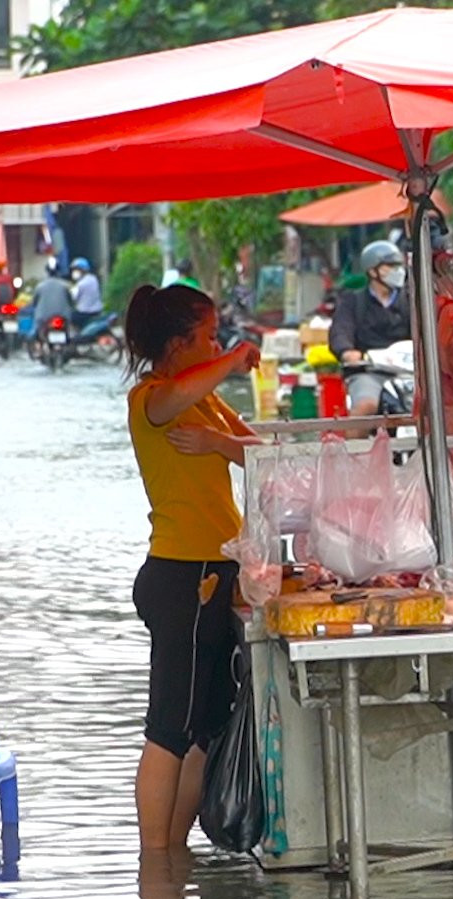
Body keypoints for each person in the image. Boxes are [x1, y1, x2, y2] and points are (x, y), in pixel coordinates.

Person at [122, 283, 262, 849]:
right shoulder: (151, 398)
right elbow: (170, 401)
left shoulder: (203, 404)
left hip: (217, 569)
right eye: (206, 335)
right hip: (182, 575)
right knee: (168, 731)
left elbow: (259, 449)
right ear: (180, 344)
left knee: (203, 728)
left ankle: (176, 855)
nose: (215, 342)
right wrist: (231, 360)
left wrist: (214, 442)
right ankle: (154, 864)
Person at [328, 240, 415, 417]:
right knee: (365, 406)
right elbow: (340, 331)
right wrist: (347, 351)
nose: (397, 271)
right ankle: (354, 444)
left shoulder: (411, 300)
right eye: (389, 266)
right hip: (368, 371)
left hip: (409, 371)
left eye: (398, 266)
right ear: (372, 271)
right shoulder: (353, 302)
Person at [30, 258, 74, 343]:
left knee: (35, 332)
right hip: (63, 316)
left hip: (44, 317)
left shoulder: (40, 286)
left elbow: (34, 302)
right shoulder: (65, 285)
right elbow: (71, 301)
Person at [70, 257, 104, 324]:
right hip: (97, 311)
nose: (74, 272)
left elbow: (72, 297)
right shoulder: (94, 279)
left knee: (69, 317)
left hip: (84, 313)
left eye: (76, 269)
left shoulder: (81, 284)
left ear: (83, 270)